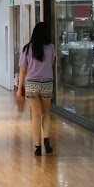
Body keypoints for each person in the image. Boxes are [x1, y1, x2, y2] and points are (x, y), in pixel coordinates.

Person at [15, 22, 56, 157]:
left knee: (36, 115)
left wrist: (19, 89)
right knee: (46, 113)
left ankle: (38, 147)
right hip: (47, 83)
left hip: (32, 84)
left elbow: (23, 71)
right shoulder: (51, 48)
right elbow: (51, 64)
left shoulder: (27, 49)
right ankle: (46, 139)